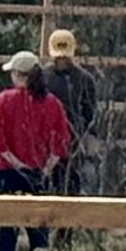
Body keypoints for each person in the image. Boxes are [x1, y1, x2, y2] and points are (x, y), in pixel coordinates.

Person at [0, 51, 72, 251]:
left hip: (7, 173)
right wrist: (45, 168)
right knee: (39, 230)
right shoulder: (52, 103)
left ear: (18, 75)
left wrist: (17, 165)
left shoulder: (3, 101)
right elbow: (61, 142)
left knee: (6, 230)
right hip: (39, 173)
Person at [40, 29, 102, 193]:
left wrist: (86, 138)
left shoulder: (85, 79)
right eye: (58, 56)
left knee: (72, 184)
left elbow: (90, 112)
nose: (62, 59)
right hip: (46, 141)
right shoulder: (42, 77)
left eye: (65, 56)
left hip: (74, 141)